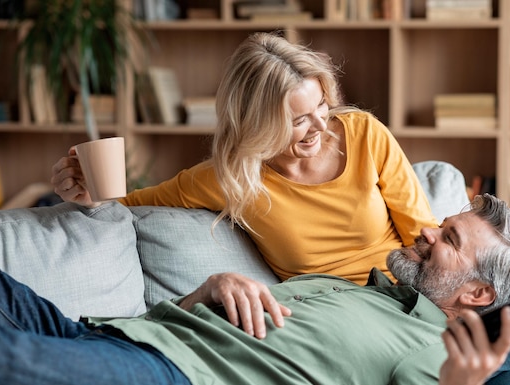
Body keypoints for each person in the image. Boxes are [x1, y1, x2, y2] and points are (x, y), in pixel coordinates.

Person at [1, 194, 510, 385]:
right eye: (441, 223)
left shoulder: (440, 358)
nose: (428, 232)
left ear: (477, 295)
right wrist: (204, 290)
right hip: (113, 332)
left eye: (450, 239)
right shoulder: (361, 288)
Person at [51, 31, 439, 287]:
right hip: (325, 313)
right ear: (256, 125)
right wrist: (83, 190)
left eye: (322, 105)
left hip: (403, 295)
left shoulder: (363, 133)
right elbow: (127, 203)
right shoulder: (228, 180)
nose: (320, 125)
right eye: (298, 120)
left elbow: (424, 237)